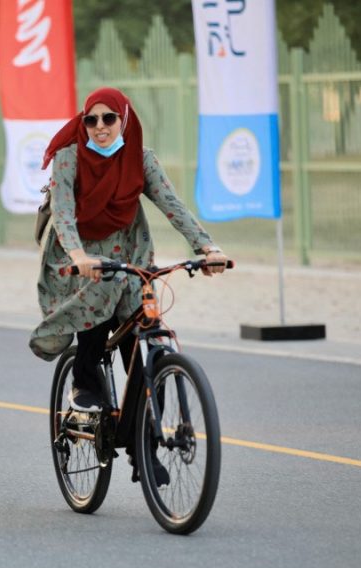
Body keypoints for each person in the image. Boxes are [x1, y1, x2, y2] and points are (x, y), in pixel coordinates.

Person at [30, 86, 228, 416]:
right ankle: (84, 383)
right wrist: (78, 256)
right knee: (96, 304)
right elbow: (63, 212)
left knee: (142, 340)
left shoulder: (141, 159)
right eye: (91, 120)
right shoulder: (69, 158)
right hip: (79, 257)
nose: (100, 127)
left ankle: (144, 435)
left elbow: (172, 205)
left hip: (131, 253)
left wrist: (207, 247)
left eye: (109, 118)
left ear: (123, 120)